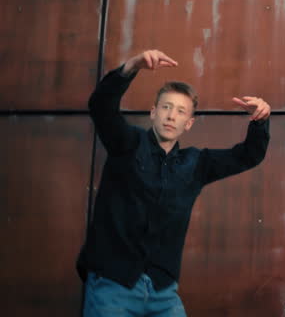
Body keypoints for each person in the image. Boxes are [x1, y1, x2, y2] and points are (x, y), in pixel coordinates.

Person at [78, 49, 271, 316]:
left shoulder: (196, 165)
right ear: (154, 112)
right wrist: (132, 66)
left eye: (180, 111)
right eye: (166, 108)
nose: (171, 116)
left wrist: (260, 121)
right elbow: (101, 106)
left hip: (162, 292)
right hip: (113, 287)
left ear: (188, 123)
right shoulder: (128, 144)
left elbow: (248, 156)